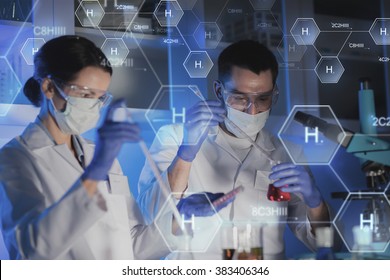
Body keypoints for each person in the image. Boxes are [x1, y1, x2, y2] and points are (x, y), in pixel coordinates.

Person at [138, 40, 330, 259]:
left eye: (263, 99)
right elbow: (149, 216)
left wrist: (315, 202)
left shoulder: (289, 153)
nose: (252, 110)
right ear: (219, 91)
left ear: (274, 93)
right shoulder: (173, 137)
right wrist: (186, 153)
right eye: (239, 98)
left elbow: (323, 245)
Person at [0, 35, 175, 259]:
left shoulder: (100, 154)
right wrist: (98, 168)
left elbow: (130, 243)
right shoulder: (14, 159)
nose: (93, 105)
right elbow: (33, 251)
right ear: (49, 87)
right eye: (85, 94)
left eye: (100, 97)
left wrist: (178, 223)